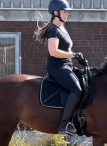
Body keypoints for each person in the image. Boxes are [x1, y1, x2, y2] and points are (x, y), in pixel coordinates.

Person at [33, 0, 88, 136]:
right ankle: (64, 125)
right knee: (77, 90)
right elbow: (53, 52)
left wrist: (78, 58)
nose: (67, 14)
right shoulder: (53, 30)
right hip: (57, 68)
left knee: (86, 81)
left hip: (67, 65)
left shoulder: (62, 28)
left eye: (67, 12)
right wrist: (74, 55)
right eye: (64, 12)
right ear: (56, 13)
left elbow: (66, 49)